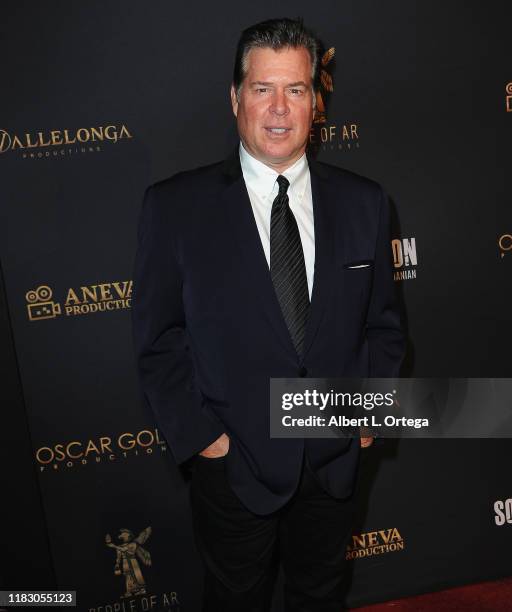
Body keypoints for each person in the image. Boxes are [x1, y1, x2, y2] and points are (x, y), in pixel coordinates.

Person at [132, 17, 405, 612]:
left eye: (297, 90)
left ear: (317, 101)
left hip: (332, 463)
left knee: (322, 595)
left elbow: (384, 328)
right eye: (262, 89)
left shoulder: (365, 203)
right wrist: (208, 441)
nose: (279, 109)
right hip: (235, 468)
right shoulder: (177, 207)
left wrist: (366, 419)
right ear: (235, 97)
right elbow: (158, 341)